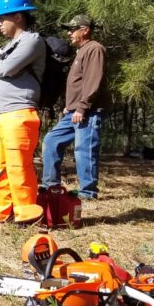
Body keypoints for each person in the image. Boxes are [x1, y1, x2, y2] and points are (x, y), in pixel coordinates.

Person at [0, 0, 46, 224]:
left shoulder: (32, 40)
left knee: (18, 164)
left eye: (2, 18)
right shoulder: (9, 46)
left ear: (18, 16)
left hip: (19, 112)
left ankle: (27, 213)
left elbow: (6, 68)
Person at [42, 14, 111, 200]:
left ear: (85, 30)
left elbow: (92, 81)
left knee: (84, 149)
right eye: (68, 29)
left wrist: (82, 107)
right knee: (51, 141)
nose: (69, 33)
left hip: (88, 111)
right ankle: (50, 186)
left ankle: (88, 192)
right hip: (74, 111)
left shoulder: (94, 49)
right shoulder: (81, 51)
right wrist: (69, 106)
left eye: (73, 29)